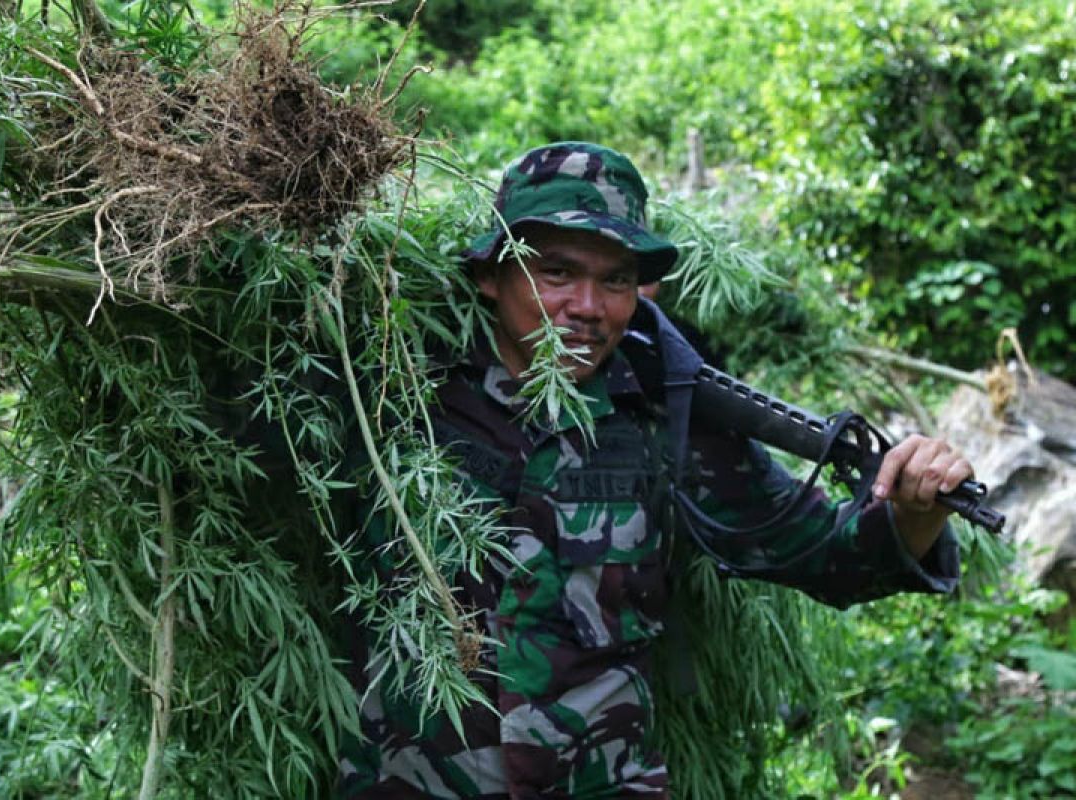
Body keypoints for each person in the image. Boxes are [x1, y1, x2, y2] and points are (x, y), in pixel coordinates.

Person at [337, 142, 970, 799]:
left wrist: (913, 510)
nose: (588, 306)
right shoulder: (388, 393)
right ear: (491, 274)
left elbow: (822, 556)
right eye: (556, 271)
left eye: (616, 280)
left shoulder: (665, 421)